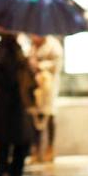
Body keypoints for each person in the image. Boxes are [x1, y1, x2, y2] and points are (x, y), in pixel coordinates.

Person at [0, 33, 36, 176]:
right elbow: (5, 75)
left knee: (18, 142)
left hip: (14, 104)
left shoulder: (12, 46)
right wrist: (24, 65)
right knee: (7, 143)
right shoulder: (5, 48)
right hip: (7, 104)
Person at [28, 33, 63, 162]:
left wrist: (41, 66)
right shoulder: (32, 46)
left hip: (49, 85)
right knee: (36, 117)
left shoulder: (53, 45)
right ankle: (36, 149)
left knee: (49, 115)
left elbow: (56, 65)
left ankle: (50, 148)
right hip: (36, 86)